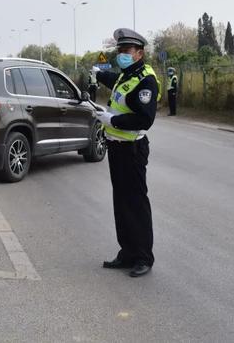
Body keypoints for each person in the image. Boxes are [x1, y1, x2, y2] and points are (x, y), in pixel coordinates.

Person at [91, 28, 159, 278]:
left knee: (136, 203)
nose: (122, 54)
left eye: (126, 51)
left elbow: (144, 119)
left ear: (139, 53)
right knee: (121, 202)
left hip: (132, 149)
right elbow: (115, 82)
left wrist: (112, 120)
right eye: (119, 50)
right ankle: (127, 252)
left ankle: (143, 256)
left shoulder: (146, 80)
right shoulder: (127, 75)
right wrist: (98, 75)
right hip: (117, 148)